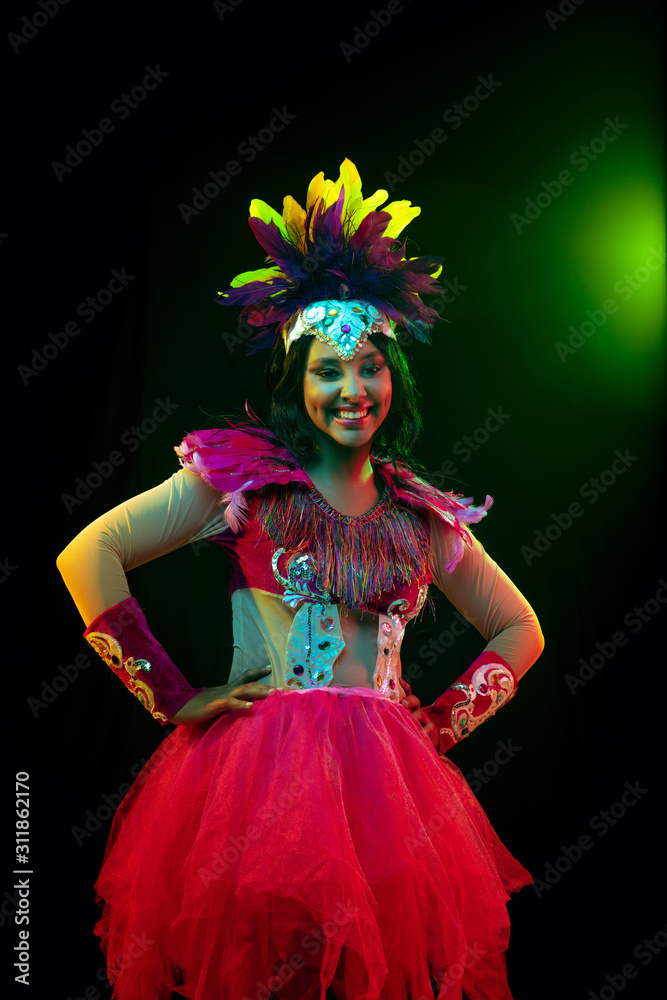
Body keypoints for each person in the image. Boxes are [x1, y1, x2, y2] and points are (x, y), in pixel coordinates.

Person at [57, 159, 544, 1000]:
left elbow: (519, 630)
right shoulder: (240, 485)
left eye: (370, 369)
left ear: (394, 378)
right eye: (328, 369)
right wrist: (171, 696)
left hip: (391, 789)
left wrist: (439, 723)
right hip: (257, 778)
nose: (353, 390)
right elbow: (85, 556)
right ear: (295, 380)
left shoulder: (422, 516)